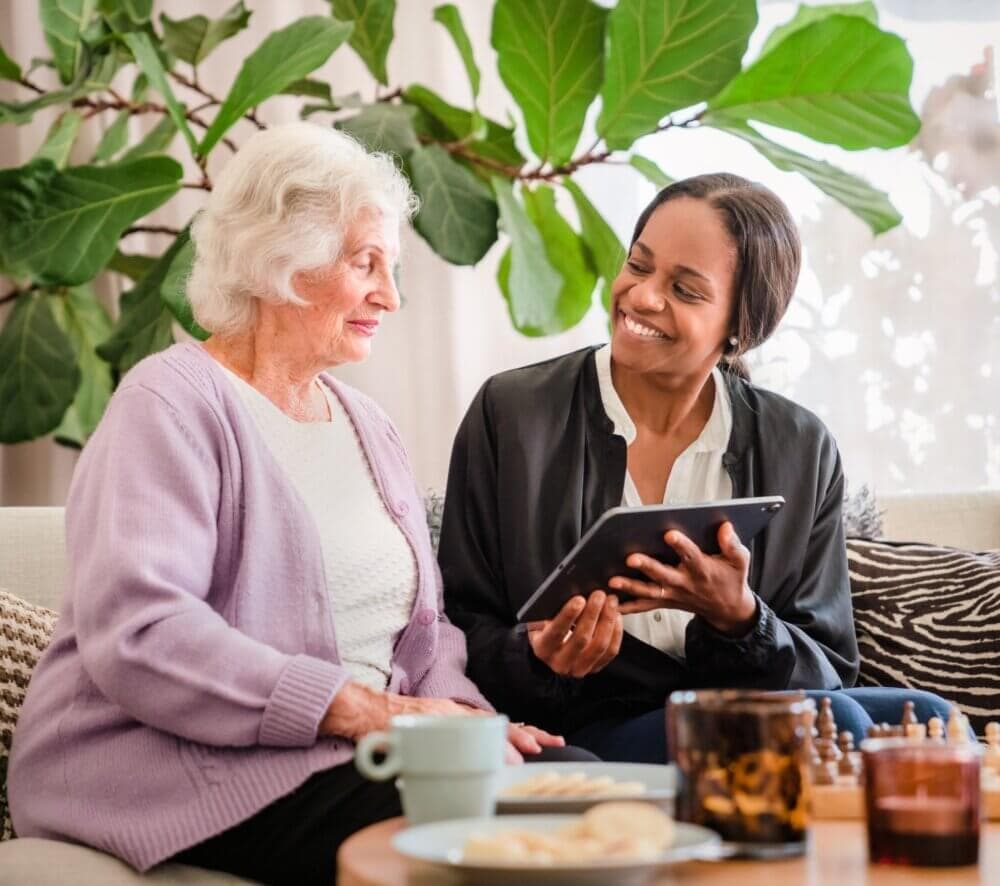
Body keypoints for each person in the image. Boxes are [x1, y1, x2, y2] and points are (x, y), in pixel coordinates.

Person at [8, 123, 579, 886]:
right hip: (184, 764)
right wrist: (372, 712)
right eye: (365, 263)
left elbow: (424, 632)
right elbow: (143, 632)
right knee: (489, 838)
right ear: (283, 261)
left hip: (358, 750)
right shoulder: (168, 405)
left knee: (593, 790)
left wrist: (464, 719)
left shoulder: (366, 423)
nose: (391, 295)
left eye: (393, 267)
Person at [439, 173, 954, 764]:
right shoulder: (512, 414)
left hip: (749, 705)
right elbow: (456, 625)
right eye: (639, 266)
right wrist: (541, 656)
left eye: (685, 290)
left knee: (934, 721)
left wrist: (738, 618)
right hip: (588, 722)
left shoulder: (799, 445)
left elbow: (830, 664)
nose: (642, 297)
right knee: (835, 723)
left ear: (741, 326)